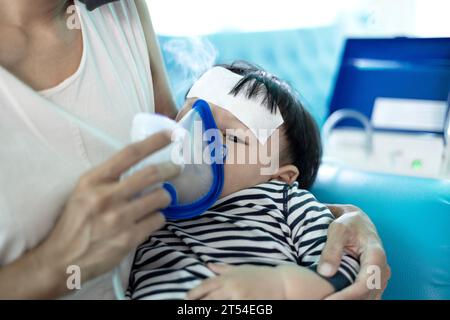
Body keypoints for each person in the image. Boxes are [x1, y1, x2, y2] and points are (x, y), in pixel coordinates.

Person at [0, 0, 390, 299]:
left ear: (281, 176)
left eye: (232, 138)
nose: (196, 140)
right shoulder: (161, 214)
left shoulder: (282, 203)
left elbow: (339, 273)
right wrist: (52, 264)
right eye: (192, 119)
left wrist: (286, 284)